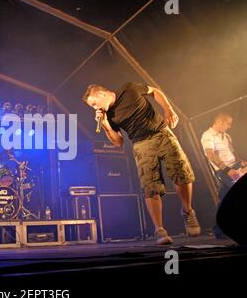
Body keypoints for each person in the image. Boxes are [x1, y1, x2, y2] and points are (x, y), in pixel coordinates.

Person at [83, 82, 201, 245]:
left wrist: (168, 109)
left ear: (103, 94)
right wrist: (105, 124)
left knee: (182, 172)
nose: (94, 108)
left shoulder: (129, 88)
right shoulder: (108, 115)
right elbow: (118, 142)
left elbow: (155, 91)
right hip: (141, 144)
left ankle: (188, 211)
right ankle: (160, 229)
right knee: (150, 186)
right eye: (92, 106)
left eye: (94, 103)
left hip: (162, 133)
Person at [201, 113, 246, 238]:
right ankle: (220, 229)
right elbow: (210, 155)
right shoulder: (208, 135)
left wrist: (240, 161)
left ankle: (220, 229)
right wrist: (226, 169)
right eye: (228, 123)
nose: (229, 126)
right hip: (223, 171)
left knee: (225, 197)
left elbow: (231, 153)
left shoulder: (226, 136)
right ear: (219, 121)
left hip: (234, 167)